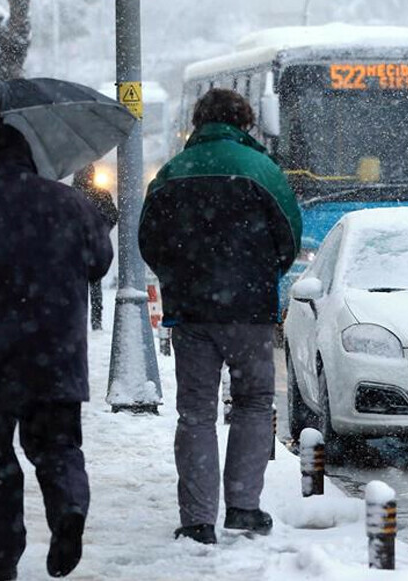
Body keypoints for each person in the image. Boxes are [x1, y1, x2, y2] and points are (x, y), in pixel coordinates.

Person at [0, 123, 113, 580]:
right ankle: (69, 505)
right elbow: (99, 263)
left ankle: (2, 556)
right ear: (31, 156)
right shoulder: (70, 202)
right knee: (58, 444)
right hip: (59, 354)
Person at [138, 88, 301, 545]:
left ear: (198, 122)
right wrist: (262, 273)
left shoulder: (172, 172)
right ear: (245, 122)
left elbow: (148, 239)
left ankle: (197, 521)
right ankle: (244, 507)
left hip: (190, 312)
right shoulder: (263, 170)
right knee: (251, 402)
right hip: (249, 310)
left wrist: (177, 277)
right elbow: (289, 234)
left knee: (195, 413)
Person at [73, 163, 119, 330]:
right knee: (95, 284)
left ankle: (80, 318)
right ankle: (96, 320)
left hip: (75, 247)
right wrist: (102, 230)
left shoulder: (70, 195)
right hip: (94, 245)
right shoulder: (101, 194)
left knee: (76, 285)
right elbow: (113, 215)